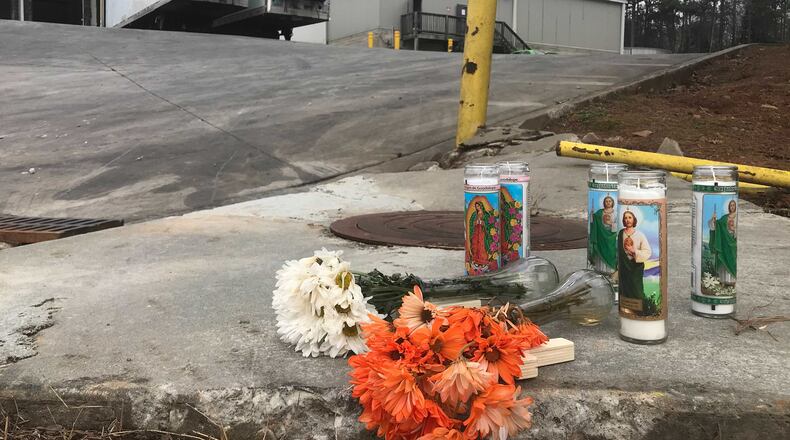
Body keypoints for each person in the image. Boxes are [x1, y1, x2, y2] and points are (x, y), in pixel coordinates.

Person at [618, 210, 652, 313]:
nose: (627, 220)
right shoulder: (621, 233)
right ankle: (628, 309)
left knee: (637, 290)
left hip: (635, 268)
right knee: (625, 289)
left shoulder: (640, 235)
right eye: (625, 218)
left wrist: (634, 251)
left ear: (634, 220)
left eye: (630, 217)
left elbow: (647, 252)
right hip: (624, 268)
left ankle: (641, 311)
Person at [708, 200, 737, 285]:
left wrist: (734, 232)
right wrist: (714, 220)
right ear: (729, 207)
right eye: (731, 205)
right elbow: (717, 225)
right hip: (724, 243)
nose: (732, 207)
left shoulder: (737, 216)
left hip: (733, 241)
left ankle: (732, 280)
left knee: (732, 260)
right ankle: (724, 281)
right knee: (724, 260)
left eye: (733, 205)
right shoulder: (725, 217)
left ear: (735, 206)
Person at [589, 195, 617, 272]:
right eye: (606, 201)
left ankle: (610, 271)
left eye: (610, 201)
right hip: (601, 236)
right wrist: (592, 215)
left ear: (612, 202)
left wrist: (611, 224)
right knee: (600, 252)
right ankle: (600, 270)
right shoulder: (599, 212)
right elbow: (594, 222)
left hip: (611, 237)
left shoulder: (616, 213)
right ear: (604, 203)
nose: (608, 202)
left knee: (611, 253)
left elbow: (618, 226)